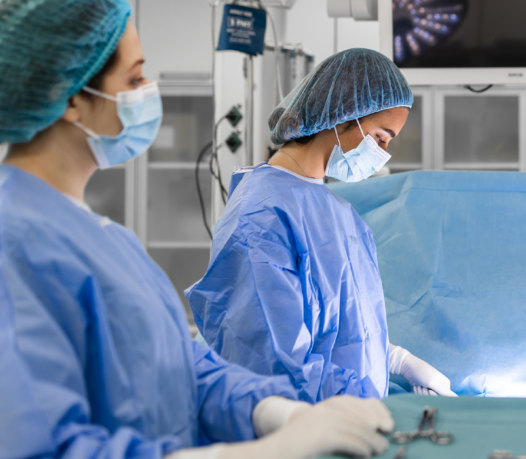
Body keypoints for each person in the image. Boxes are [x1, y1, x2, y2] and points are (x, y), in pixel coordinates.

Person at [0, 1, 396, 458]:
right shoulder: (15, 242)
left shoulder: (105, 237)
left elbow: (182, 364)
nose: (149, 93)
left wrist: (276, 412)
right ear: (67, 96)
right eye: (133, 80)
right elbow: (37, 446)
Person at [186, 48, 456, 403]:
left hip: (343, 416)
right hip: (301, 427)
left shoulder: (340, 213)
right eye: (380, 138)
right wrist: (357, 400)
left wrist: (395, 360)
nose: (381, 155)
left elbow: (341, 328)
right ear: (345, 116)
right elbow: (271, 362)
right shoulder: (261, 215)